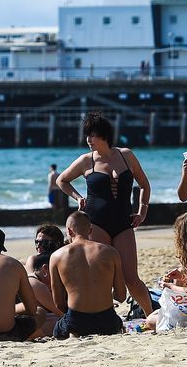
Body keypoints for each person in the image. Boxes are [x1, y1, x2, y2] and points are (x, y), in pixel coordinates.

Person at [56, 112, 153, 316]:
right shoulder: (86, 161)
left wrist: (142, 211)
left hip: (123, 223)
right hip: (96, 223)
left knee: (131, 277)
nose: (88, 140)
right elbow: (61, 180)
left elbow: (144, 185)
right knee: (101, 276)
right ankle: (104, 317)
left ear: (104, 135)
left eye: (92, 135)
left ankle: (150, 314)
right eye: (87, 136)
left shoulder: (126, 155)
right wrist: (77, 197)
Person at [49, 211, 125, 338]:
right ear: (90, 230)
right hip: (107, 321)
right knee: (117, 323)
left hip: (77, 321)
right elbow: (121, 296)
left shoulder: (56, 256)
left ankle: (74, 333)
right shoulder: (111, 252)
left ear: (69, 231)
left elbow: (59, 304)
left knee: (57, 330)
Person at [16, 252, 62, 338]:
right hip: (12, 321)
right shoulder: (35, 284)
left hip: (14, 319)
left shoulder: (34, 280)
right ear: (45, 269)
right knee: (54, 320)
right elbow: (59, 311)